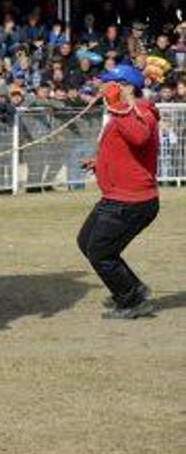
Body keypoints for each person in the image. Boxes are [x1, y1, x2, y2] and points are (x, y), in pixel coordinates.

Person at [76, 64, 160, 319]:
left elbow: (139, 137)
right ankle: (133, 289)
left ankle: (132, 300)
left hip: (131, 200)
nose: (102, 87)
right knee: (86, 242)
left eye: (109, 83)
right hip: (117, 197)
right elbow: (127, 147)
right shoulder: (124, 113)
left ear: (125, 87)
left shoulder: (141, 111)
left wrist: (119, 105)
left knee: (101, 253)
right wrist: (99, 163)